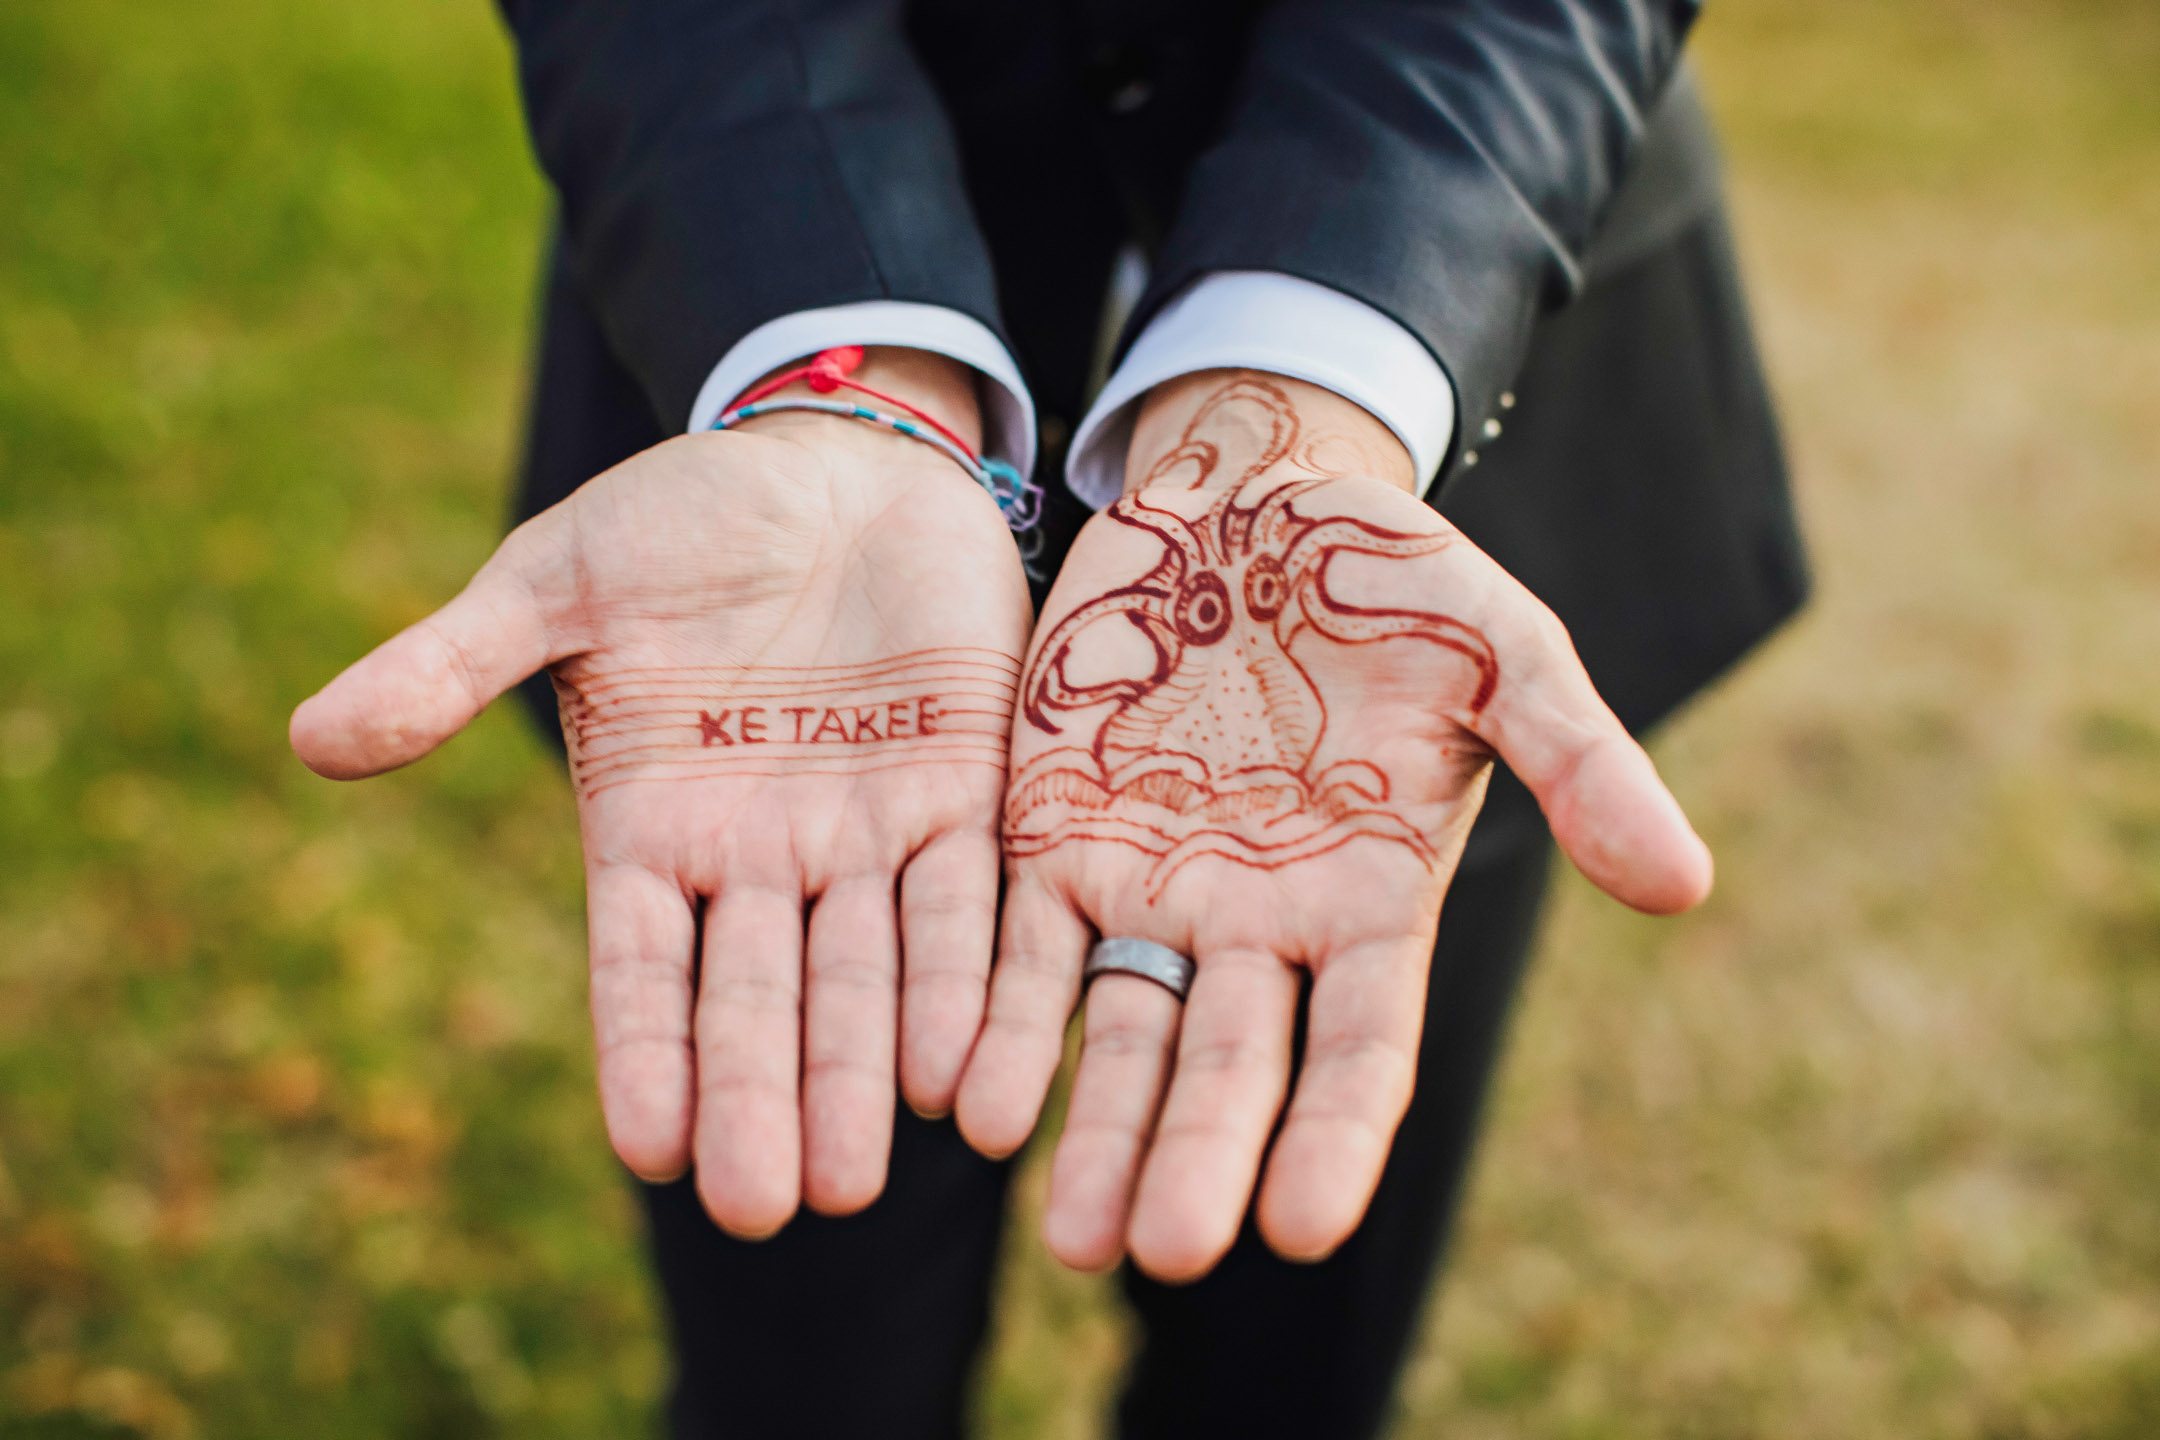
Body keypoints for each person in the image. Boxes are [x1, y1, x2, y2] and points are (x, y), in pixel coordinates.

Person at [290, 1, 1807, 1435]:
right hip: (767, 421)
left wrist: (1311, 389)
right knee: (805, 1363)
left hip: (1415, 436)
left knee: (1291, 1361)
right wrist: (847, 379)